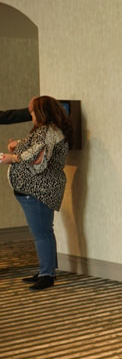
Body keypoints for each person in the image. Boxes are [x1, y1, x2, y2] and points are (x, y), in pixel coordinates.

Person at [2, 96, 72, 290]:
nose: (31, 115)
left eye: (32, 111)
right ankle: (46, 269)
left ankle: (47, 274)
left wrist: (12, 158)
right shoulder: (48, 130)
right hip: (34, 191)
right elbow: (34, 148)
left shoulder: (48, 131)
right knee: (43, 231)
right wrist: (17, 146)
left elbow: (38, 158)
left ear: (41, 112)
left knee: (42, 233)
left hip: (39, 190)